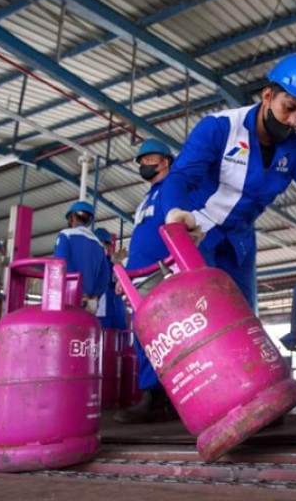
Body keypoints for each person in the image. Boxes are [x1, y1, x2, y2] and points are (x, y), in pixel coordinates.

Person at [161, 52, 296, 312]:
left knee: (245, 316)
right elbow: (180, 178)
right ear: (267, 96)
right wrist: (175, 214)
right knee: (203, 311)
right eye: (289, 108)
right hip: (199, 231)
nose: (294, 121)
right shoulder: (220, 128)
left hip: (240, 241)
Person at [113, 138, 180, 424]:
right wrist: (126, 274)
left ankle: (159, 396)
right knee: (145, 335)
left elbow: (177, 226)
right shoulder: (145, 200)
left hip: (160, 272)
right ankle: (158, 397)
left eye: (149, 159)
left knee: (160, 336)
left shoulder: (172, 187)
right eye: (141, 161)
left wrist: (174, 266)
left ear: (165, 161)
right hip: (139, 276)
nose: (143, 164)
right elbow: (139, 241)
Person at [54, 201, 109, 313]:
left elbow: (61, 264)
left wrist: (79, 291)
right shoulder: (99, 246)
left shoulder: (65, 235)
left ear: (72, 217)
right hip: (89, 304)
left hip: (68, 300)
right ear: (89, 221)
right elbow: (104, 277)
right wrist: (94, 296)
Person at [93, 228, 127, 331]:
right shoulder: (91, 264)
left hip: (117, 311)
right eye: (104, 243)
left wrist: (118, 263)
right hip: (101, 310)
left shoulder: (112, 263)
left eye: (108, 243)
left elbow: (125, 283)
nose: (107, 247)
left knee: (121, 335)